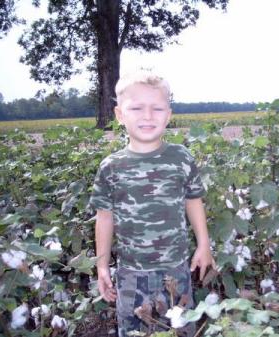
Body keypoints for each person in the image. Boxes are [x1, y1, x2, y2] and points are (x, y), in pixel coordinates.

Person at [89, 71, 215, 336]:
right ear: (120, 115)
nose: (147, 116)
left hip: (176, 269)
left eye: (157, 108)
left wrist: (204, 244)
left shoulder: (180, 158)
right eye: (136, 108)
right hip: (131, 273)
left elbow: (193, 200)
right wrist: (102, 265)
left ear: (168, 115)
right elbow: (104, 216)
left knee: (180, 328)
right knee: (133, 331)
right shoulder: (112, 167)